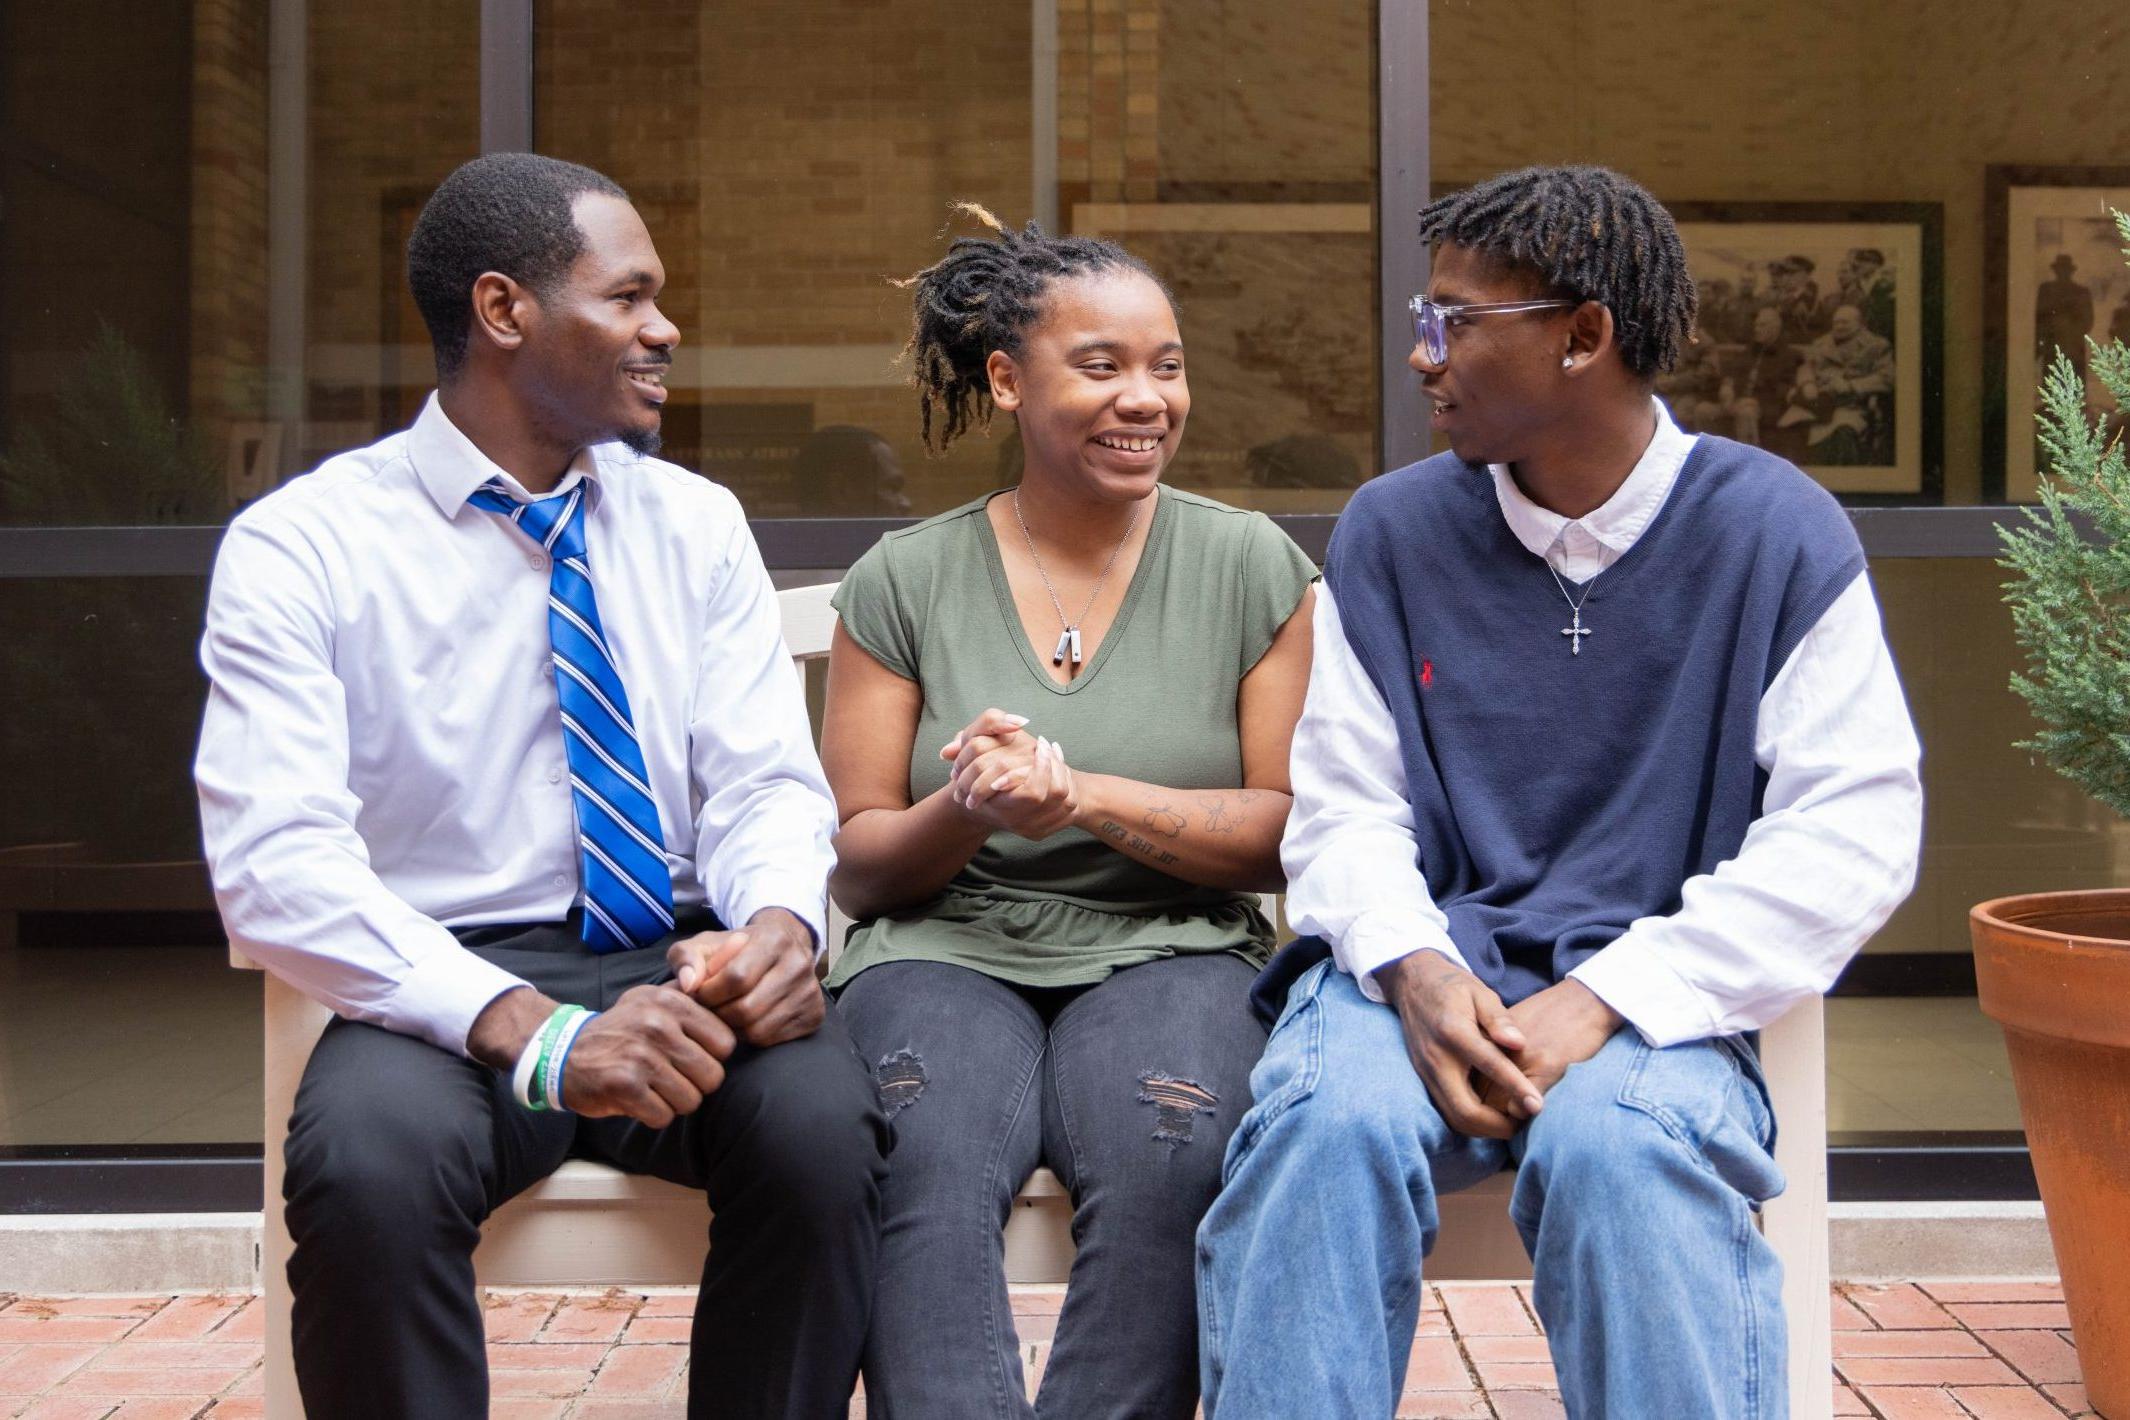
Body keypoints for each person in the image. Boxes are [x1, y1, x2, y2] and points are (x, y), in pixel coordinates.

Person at [1196, 165, 1922, 1419]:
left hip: (1658, 993)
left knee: (1623, 1151)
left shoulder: (1776, 533)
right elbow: (1344, 806)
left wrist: (1610, 994)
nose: (1425, 356)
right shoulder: (1393, 529)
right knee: (1323, 1133)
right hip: (1412, 975)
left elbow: (1855, 830)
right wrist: (1418, 972)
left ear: (1584, 335)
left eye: (1455, 321)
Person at [194, 153, 888, 1420]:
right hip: (443, 988)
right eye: (627, 298)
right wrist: (539, 1030)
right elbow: (275, 866)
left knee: (826, 1136)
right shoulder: (305, 548)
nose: (664, 328)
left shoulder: (692, 522)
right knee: (366, 1172)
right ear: (506, 311)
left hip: (675, 965)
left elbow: (759, 783)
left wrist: (780, 924)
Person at [819, 205, 1317, 1418]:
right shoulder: (905, 577)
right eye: (1100, 366)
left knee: (1175, 1150)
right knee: (913, 1159)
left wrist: (1079, 792)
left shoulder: (1254, 567)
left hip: (1180, 944)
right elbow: (864, 868)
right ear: (1005, 379)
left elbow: (1281, 830)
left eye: (1167, 365)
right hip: (940, 948)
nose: (1144, 397)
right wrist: (971, 804)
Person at [1797, 303, 1896, 464]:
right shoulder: (1821, 343)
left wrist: (1852, 386)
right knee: (1793, 431)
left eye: (1845, 322)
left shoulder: (1876, 345)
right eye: (1836, 322)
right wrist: (1807, 383)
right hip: (1818, 404)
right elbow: (1805, 367)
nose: (1839, 326)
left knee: (1842, 432)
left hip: (1853, 406)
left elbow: (1887, 378)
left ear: (1859, 323)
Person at [1725, 303, 1808, 460]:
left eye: (1762, 325)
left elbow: (1784, 389)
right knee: (1704, 410)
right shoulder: (1749, 351)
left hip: (1769, 405)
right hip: (1739, 402)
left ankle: (1748, 464)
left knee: (1746, 412)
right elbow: (1732, 373)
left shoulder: (1789, 355)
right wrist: (1727, 386)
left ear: (1775, 328)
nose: (1756, 329)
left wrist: (1754, 401)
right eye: (1756, 324)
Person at [2036, 251, 2096, 389]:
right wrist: (2042, 339)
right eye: (2060, 269)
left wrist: (2071, 330)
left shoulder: (2082, 292)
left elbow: (2088, 321)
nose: (2062, 272)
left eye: (2065, 269)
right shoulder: (2045, 290)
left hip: (2074, 347)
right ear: (2055, 270)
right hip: (2052, 344)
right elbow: (2039, 317)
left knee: (2074, 387)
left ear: (2070, 271)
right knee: (2051, 388)